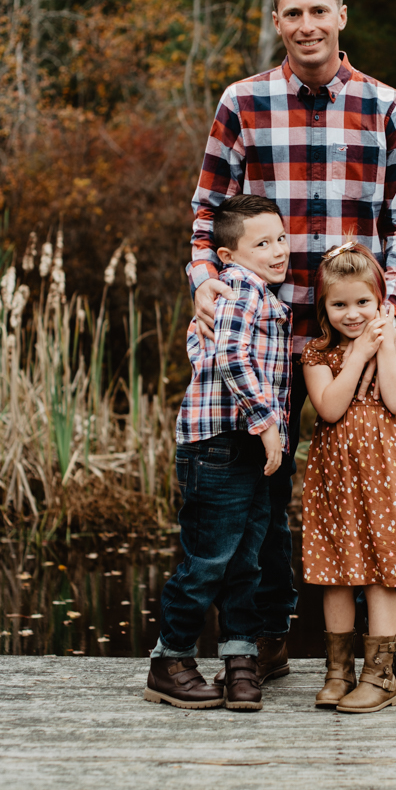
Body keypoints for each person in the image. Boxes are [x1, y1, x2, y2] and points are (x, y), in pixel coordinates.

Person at [189, 0, 396, 699]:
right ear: (277, 21)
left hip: (354, 330)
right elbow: (208, 211)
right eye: (293, 13)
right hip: (266, 334)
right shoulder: (243, 102)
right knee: (262, 491)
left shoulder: (385, 106)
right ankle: (268, 637)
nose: (307, 25)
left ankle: (392, 647)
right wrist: (206, 281)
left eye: (318, 11)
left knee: (381, 482)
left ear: (341, 16)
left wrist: (385, 317)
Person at [144, 194, 292, 712]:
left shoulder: (255, 294)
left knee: (247, 562)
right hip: (220, 446)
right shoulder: (240, 289)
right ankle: (170, 660)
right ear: (227, 255)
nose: (278, 250)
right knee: (207, 561)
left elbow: (206, 349)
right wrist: (267, 423)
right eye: (262, 243)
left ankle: (239, 658)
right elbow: (231, 356)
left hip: (242, 447)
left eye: (281, 238)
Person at [301, 242, 396, 713]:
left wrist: (381, 350)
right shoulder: (317, 354)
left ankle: (380, 677)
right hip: (337, 481)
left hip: (388, 479)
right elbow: (330, 408)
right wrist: (357, 355)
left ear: (381, 301)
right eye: (339, 304)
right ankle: (338, 672)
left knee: (384, 574)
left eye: (363, 302)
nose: (352, 313)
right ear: (324, 308)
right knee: (335, 573)